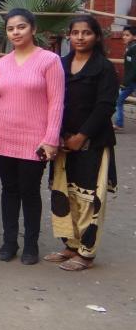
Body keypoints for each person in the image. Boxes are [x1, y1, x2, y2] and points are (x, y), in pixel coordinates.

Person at [0, 9, 64, 265]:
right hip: (3, 136)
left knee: (30, 192)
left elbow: (56, 103)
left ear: (32, 28)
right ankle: (9, 242)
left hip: (36, 140)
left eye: (21, 27)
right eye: (11, 29)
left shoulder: (50, 61)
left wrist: (51, 138)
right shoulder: (0, 64)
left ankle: (31, 245)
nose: (16, 33)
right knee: (9, 190)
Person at [45, 15, 118, 271]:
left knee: (89, 198)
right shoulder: (60, 65)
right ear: (69, 35)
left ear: (96, 36)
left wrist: (81, 136)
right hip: (63, 141)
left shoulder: (104, 68)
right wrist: (61, 135)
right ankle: (71, 244)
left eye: (86, 33)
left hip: (93, 142)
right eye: (75, 32)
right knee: (65, 194)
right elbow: (53, 100)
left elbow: (104, 107)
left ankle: (87, 252)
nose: (79, 37)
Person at [114, 25, 136, 131]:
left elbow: (134, 69)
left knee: (119, 100)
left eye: (127, 35)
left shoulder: (134, 49)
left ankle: (119, 124)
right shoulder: (129, 47)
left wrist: (125, 82)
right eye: (123, 35)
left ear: (134, 37)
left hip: (131, 81)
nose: (124, 37)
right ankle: (119, 124)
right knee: (119, 100)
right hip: (131, 81)